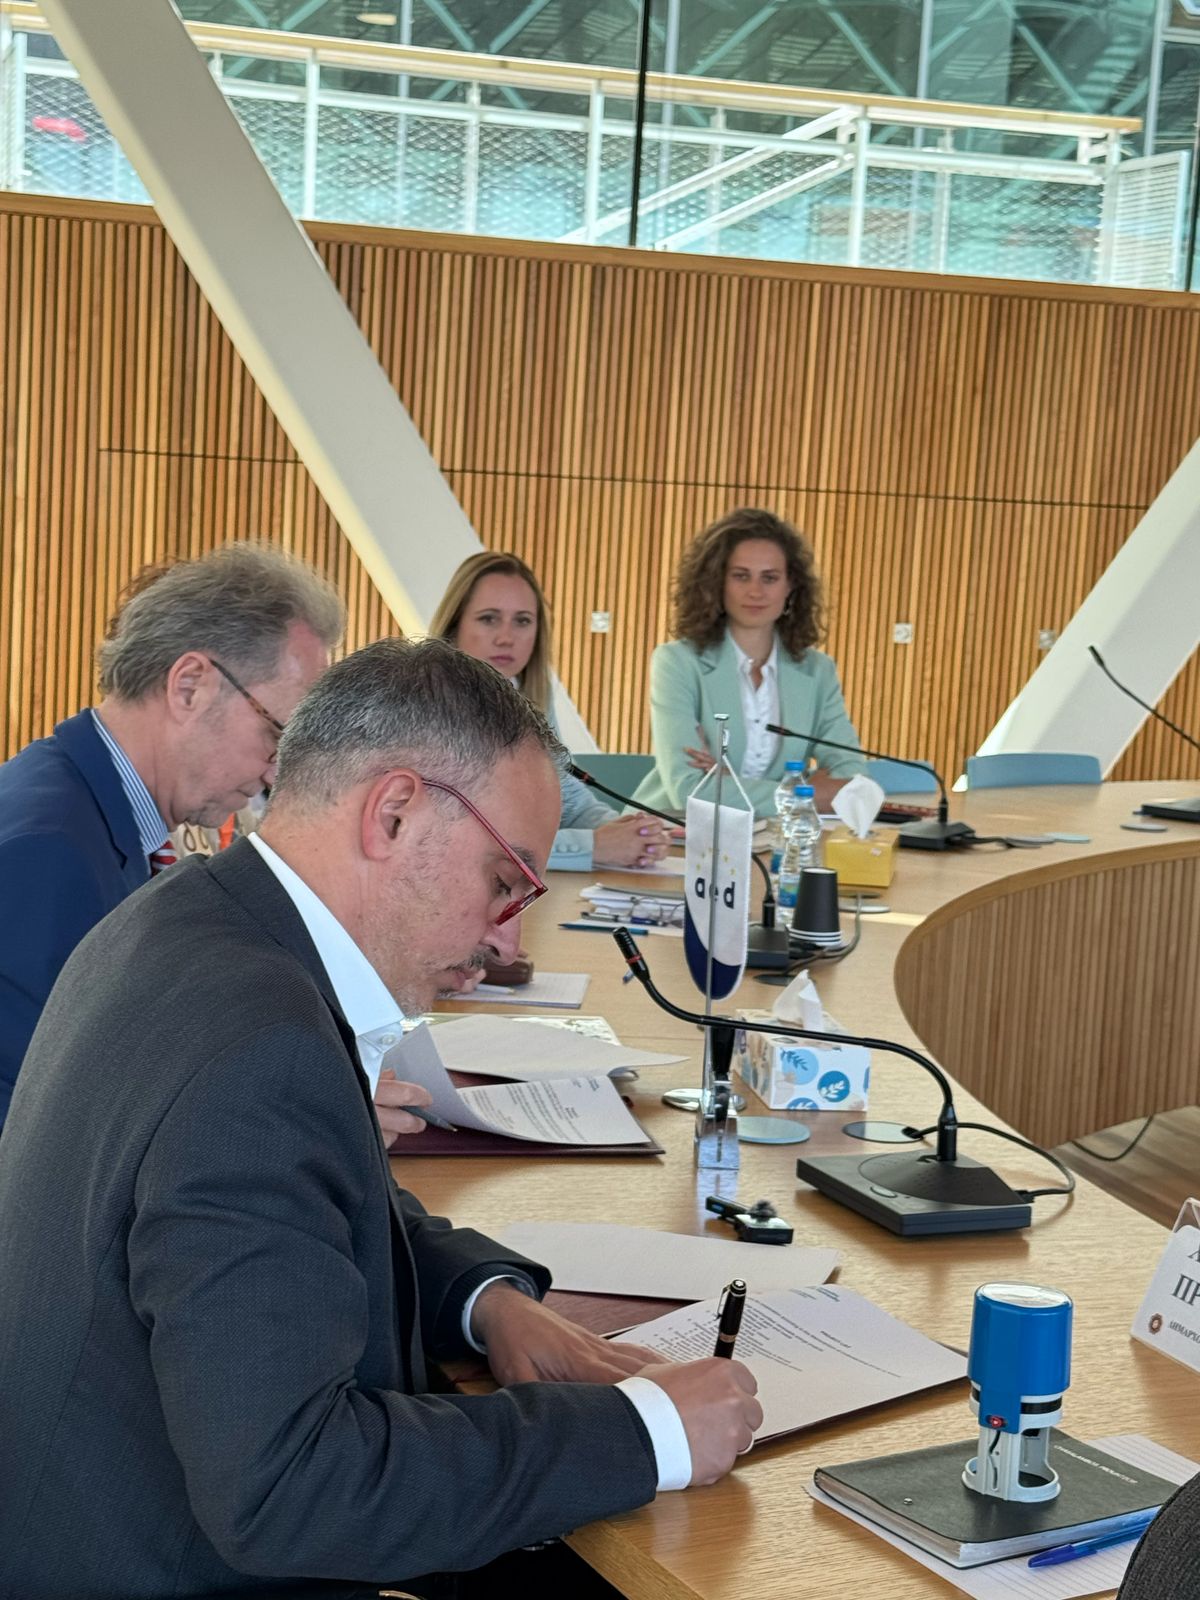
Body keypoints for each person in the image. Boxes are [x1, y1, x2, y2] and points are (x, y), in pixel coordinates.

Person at [0, 638, 761, 1600]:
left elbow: (312, 1192)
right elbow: (293, 1490)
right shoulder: (259, 1050)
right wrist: (646, 1433)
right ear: (392, 813)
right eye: (505, 882)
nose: (507, 939)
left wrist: (487, 1304)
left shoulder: (188, 919)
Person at [0, 541, 344, 1127]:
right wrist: (306, 1107)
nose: (276, 773)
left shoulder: (103, 814)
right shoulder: (47, 851)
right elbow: (58, 1127)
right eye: (278, 735)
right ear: (189, 687)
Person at [429, 551, 673, 870]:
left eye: (522, 621)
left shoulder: (528, 695)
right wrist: (592, 846)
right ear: (455, 625)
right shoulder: (425, 707)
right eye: (489, 618)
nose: (506, 637)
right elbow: (460, 840)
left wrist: (625, 832)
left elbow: (566, 797)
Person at [632, 508, 867, 820]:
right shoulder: (678, 663)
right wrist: (805, 793)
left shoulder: (817, 671)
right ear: (717, 582)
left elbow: (852, 777)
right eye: (741, 576)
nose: (756, 591)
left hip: (773, 835)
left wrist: (728, 783)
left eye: (770, 578)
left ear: (790, 586)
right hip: (673, 831)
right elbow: (691, 790)